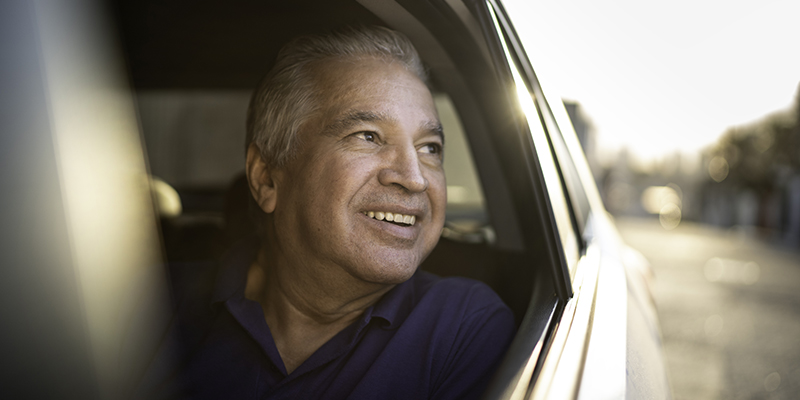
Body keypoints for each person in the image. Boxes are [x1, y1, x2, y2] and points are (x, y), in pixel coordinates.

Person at [137, 26, 515, 399]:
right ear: (267, 178)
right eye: (368, 136)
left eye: (430, 148)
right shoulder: (143, 305)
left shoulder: (463, 326)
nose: (415, 179)